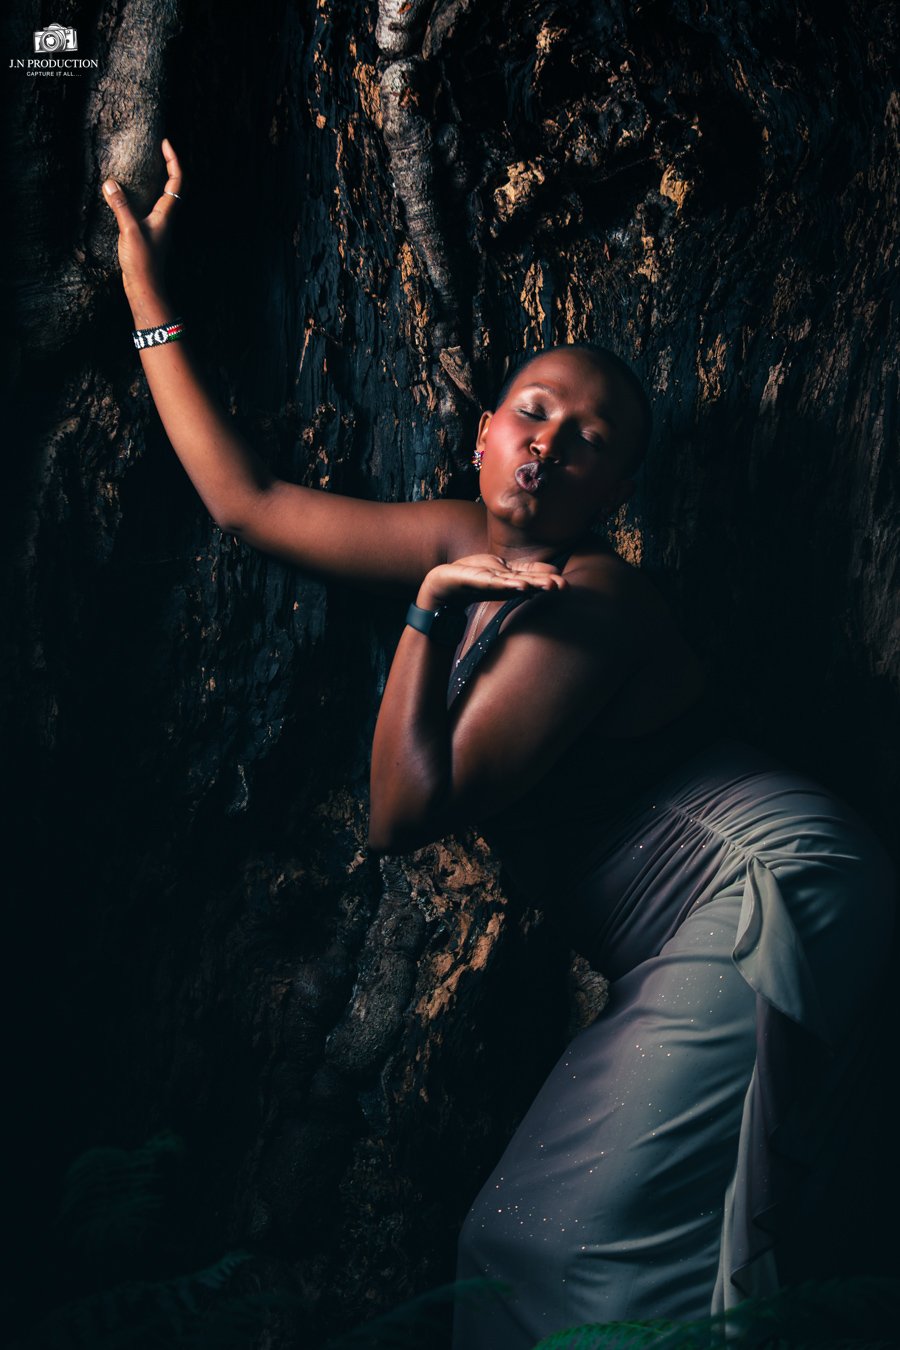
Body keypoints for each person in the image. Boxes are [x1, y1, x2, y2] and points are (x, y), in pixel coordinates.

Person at [103, 144, 895, 1347]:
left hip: (767, 892)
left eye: (588, 438)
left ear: (612, 490)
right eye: (532, 412)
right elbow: (247, 504)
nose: (548, 443)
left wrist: (427, 614)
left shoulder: (591, 597)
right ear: (483, 433)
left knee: (571, 1250)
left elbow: (404, 813)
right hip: (694, 923)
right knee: (526, 1249)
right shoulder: (461, 536)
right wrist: (144, 291)